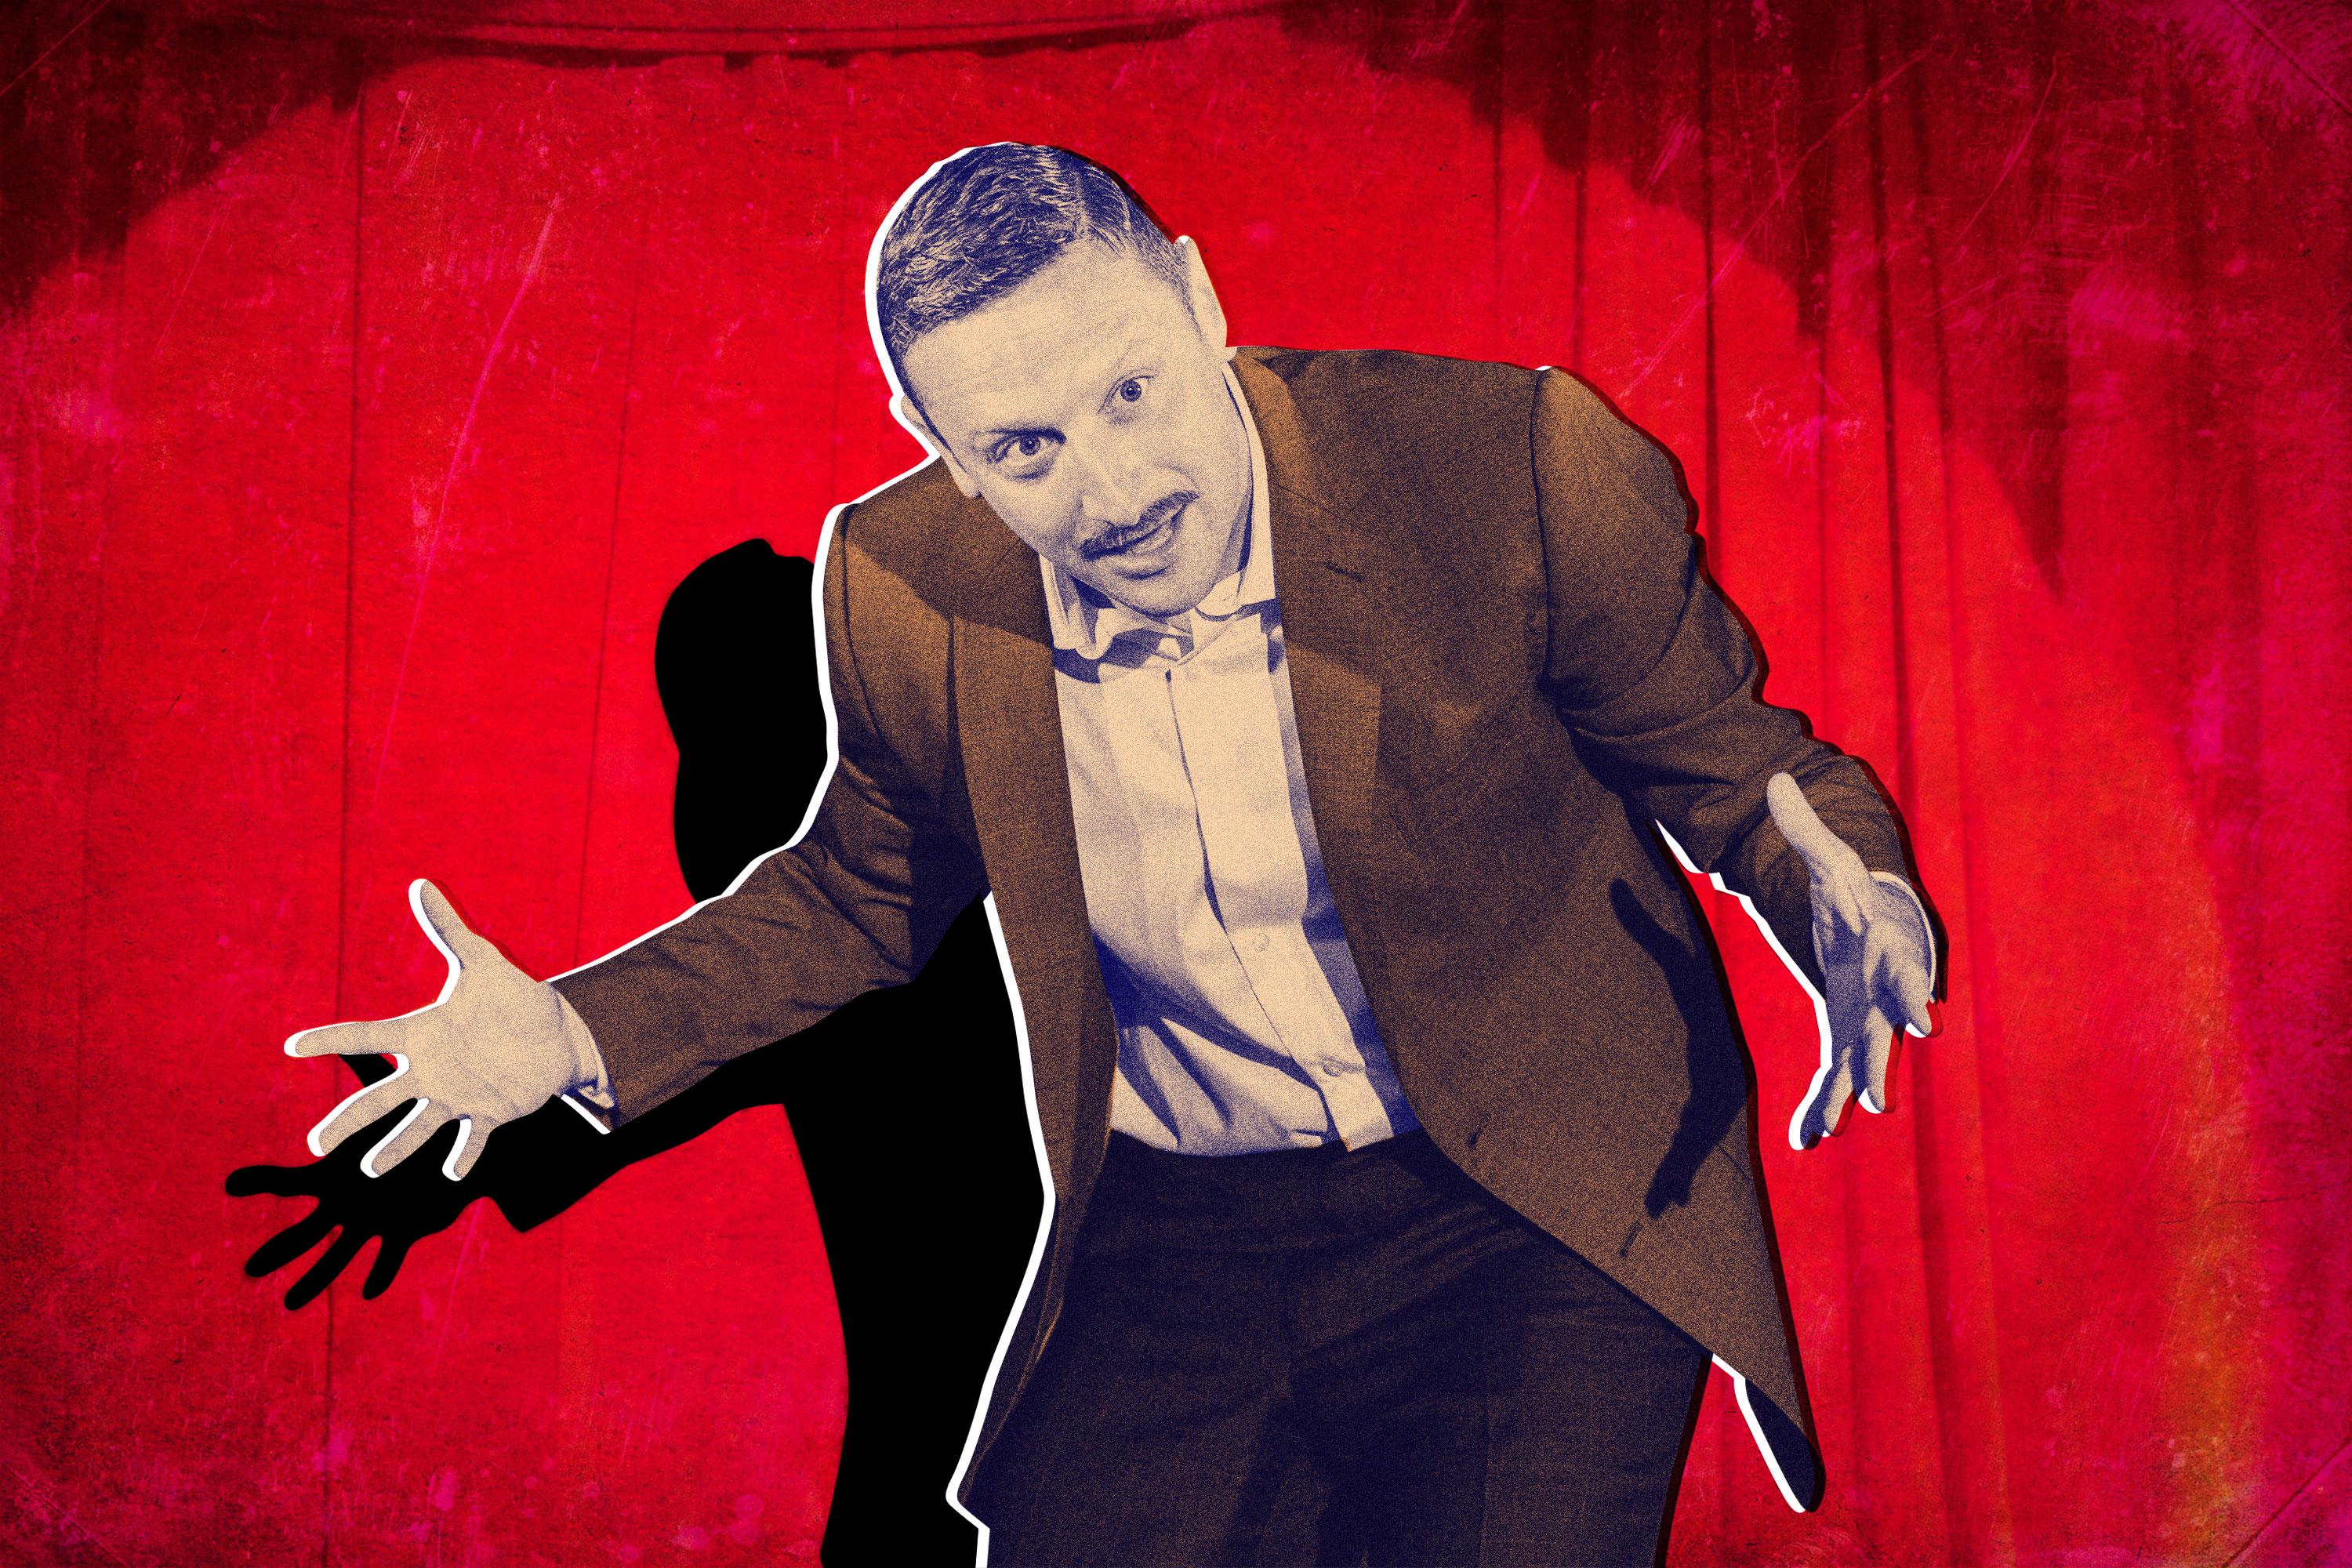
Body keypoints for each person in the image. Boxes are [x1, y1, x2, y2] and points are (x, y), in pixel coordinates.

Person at [284, 142, 1938, 1566]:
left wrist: (1845, 898)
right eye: (1023, 450)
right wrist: (569, 1030)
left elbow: (1741, 768)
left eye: (1130, 392)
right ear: (942, 448)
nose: (1114, 488)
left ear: (1200, 299)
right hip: (1182, 1234)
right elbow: (862, 888)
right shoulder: (905, 583)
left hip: (1528, 1205)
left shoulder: (1504, 465)